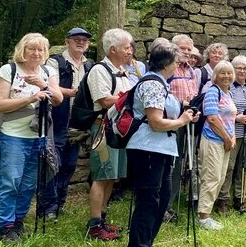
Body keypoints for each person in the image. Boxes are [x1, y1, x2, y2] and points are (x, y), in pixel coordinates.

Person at [126, 43, 199, 247]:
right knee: (148, 202)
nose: (178, 66)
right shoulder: (152, 84)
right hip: (147, 150)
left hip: (160, 150)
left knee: (161, 200)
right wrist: (182, 121)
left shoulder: (162, 84)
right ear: (166, 63)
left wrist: (187, 115)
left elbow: (167, 115)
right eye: (176, 62)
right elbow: (156, 122)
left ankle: (146, 242)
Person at [0, 33, 63, 242]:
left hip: (39, 136)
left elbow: (58, 99)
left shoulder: (48, 71)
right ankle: (5, 226)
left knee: (29, 184)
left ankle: (18, 222)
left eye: (41, 49)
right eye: (32, 48)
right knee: (11, 182)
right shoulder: (9, 70)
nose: (36, 53)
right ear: (22, 50)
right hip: (13, 135)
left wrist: (43, 85)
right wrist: (31, 98)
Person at [86, 28, 134, 240]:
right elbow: (104, 100)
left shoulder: (123, 70)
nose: (130, 51)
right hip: (103, 128)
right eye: (126, 47)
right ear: (113, 49)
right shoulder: (100, 70)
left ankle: (102, 219)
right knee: (100, 175)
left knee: (111, 176)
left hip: (117, 129)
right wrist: (130, 98)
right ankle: (94, 226)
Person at [41, 28, 92, 221]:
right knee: (54, 164)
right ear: (67, 41)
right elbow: (47, 85)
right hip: (57, 120)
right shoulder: (55, 62)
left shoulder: (89, 66)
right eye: (76, 39)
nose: (81, 43)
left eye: (84, 40)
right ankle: (48, 208)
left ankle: (59, 203)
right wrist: (71, 92)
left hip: (77, 122)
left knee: (69, 165)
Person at [215, 56, 246, 214]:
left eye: (245, 68)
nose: (242, 71)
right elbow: (222, 110)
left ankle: (240, 199)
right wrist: (238, 118)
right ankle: (223, 200)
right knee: (229, 166)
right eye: (238, 68)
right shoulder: (227, 87)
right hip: (232, 131)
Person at [198, 61, 237, 230]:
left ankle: (207, 212)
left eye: (229, 73)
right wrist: (227, 139)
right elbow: (212, 118)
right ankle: (203, 217)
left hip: (225, 140)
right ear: (215, 75)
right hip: (213, 139)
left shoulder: (228, 93)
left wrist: (232, 137)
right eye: (222, 73)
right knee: (212, 178)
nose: (226, 76)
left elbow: (231, 119)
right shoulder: (213, 92)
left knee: (220, 177)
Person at [165, 34, 200, 222]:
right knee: (169, 165)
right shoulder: (168, 67)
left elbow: (193, 95)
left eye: (189, 49)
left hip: (187, 121)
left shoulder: (191, 71)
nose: (186, 52)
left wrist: (194, 110)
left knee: (180, 164)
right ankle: (164, 205)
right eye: (183, 48)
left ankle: (171, 202)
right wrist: (182, 104)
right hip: (170, 123)